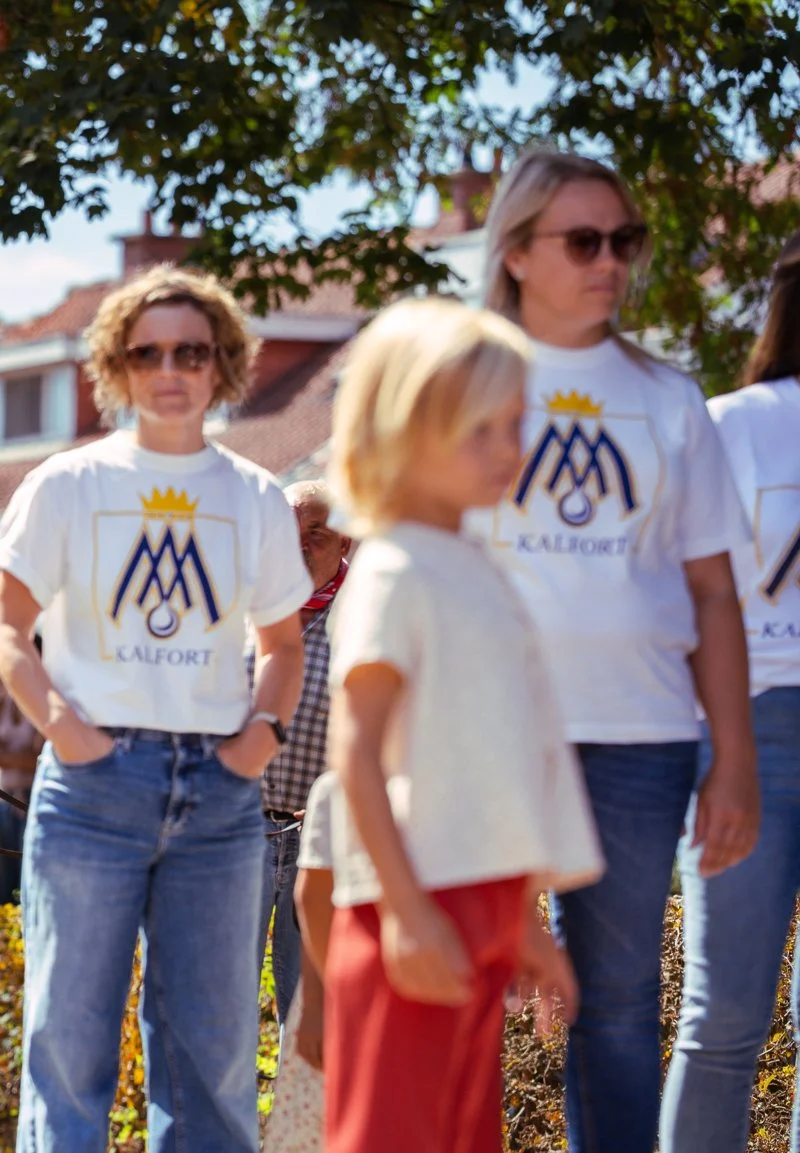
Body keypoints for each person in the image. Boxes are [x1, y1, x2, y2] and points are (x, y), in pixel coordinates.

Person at [0, 265, 310, 1153]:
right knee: (67, 1050)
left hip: (221, 798)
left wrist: (256, 743)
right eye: (149, 350)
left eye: (192, 351)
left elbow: (284, 645)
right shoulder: (66, 483)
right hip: (92, 789)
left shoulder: (255, 496)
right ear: (118, 365)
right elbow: (5, 626)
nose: (171, 367)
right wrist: (67, 732)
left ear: (223, 365)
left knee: (213, 1062)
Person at [479, 148, 758, 1152]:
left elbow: (712, 590)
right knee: (467, 995)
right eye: (583, 240)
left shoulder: (669, 397)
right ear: (514, 251)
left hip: (640, 740)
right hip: (486, 740)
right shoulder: (457, 380)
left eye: (623, 240)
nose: (610, 262)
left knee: (618, 1006)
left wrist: (730, 757)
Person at [322, 297, 599, 1153]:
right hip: (409, 909)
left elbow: (495, 759)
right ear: (403, 425)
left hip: (481, 904)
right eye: (483, 429)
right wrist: (405, 911)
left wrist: (521, 920)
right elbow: (356, 754)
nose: (511, 450)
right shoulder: (395, 569)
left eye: (517, 424)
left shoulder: (482, 569)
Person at [661, 228, 800, 1150]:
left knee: (725, 1018)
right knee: (725, 1015)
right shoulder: (730, 423)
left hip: (745, 728)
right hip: (753, 729)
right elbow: (682, 594)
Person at [254, 480, 351, 1030]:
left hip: (323, 843)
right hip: (242, 832)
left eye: (316, 532)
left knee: (311, 1018)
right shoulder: (245, 610)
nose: (300, 545)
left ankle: (306, 1121)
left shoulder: (364, 616)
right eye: (287, 532)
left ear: (346, 543)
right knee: (221, 1016)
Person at [262, 771, 337, 1153]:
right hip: (253, 826)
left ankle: (296, 1133)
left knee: (301, 1016)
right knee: (228, 1012)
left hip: (317, 833)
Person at [0, 679, 41, 911]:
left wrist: (0, 754)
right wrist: (21, 757)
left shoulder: (42, 706)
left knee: (30, 875)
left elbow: (39, 760)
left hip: (32, 800)